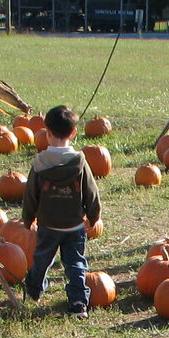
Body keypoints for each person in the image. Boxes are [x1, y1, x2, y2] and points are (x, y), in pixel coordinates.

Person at [20, 105, 102, 316]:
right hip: (74, 225)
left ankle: (34, 289)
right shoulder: (79, 162)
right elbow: (90, 191)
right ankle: (78, 303)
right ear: (73, 133)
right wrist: (94, 215)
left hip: (48, 224)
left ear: (47, 133)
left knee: (42, 259)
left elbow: (31, 194)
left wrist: (28, 217)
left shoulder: (40, 163)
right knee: (75, 263)